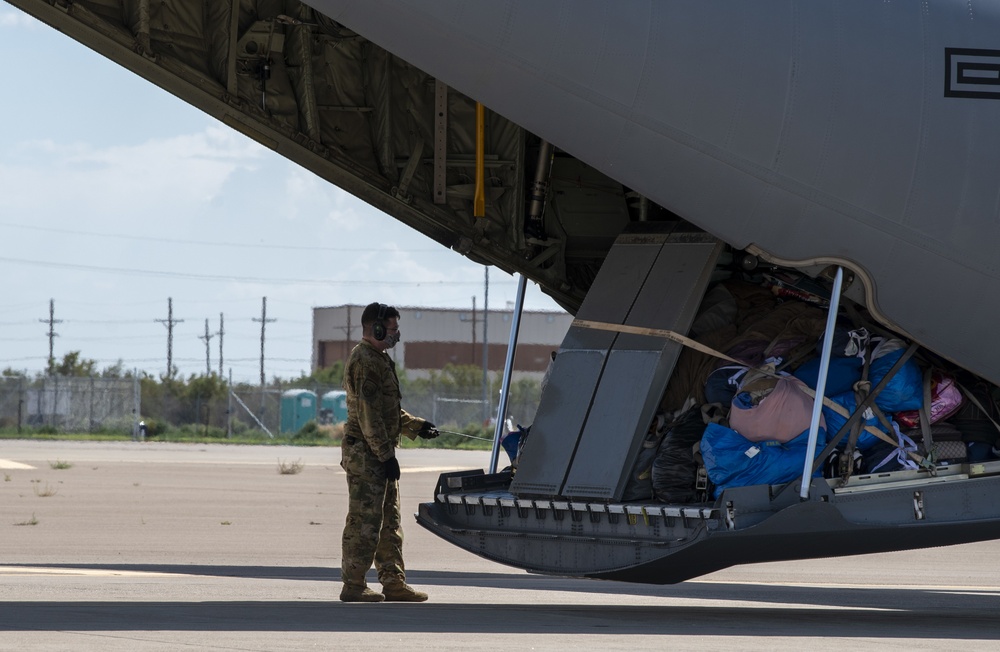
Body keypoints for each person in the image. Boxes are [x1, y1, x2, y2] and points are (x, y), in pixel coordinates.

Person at [339, 302, 439, 602]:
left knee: (388, 521)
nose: (396, 335)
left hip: (378, 453)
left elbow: (388, 410)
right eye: (392, 329)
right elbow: (369, 414)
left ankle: (393, 581)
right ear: (377, 328)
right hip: (367, 454)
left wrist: (416, 426)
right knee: (365, 521)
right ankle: (354, 585)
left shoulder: (377, 359)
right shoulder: (365, 361)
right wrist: (386, 455)